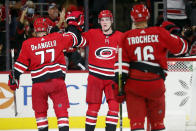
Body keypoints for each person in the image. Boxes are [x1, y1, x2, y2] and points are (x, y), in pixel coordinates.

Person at [113, 4, 189, 131]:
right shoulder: (159, 32)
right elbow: (182, 48)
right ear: (148, 17)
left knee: (137, 124)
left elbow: (121, 67)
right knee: (157, 124)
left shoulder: (125, 37)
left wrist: (119, 87)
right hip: (155, 85)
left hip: (134, 86)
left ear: (132, 18)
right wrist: (174, 35)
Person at [8, 11, 86, 131]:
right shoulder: (57, 37)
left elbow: (19, 67)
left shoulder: (27, 44)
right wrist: (72, 23)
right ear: (47, 28)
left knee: (40, 115)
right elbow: (74, 37)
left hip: (39, 86)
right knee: (62, 114)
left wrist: (14, 79)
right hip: (57, 83)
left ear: (35, 30)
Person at [82, 10, 123, 131]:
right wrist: (73, 28)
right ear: (99, 22)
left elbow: (128, 55)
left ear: (112, 20)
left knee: (114, 107)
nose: (105, 22)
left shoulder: (121, 36)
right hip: (95, 77)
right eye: (102, 20)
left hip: (113, 77)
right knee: (93, 108)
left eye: (107, 19)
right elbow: (78, 40)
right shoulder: (92, 33)